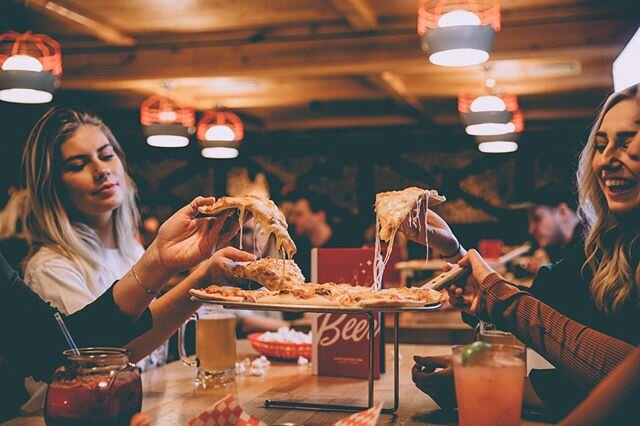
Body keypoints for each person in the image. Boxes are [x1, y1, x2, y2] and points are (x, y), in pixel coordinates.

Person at [404, 84, 640, 416]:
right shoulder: (609, 244)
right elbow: (546, 314)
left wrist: (496, 296)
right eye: (600, 146)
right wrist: (456, 254)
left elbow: (628, 385)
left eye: (626, 143)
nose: (607, 161)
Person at [0, 197, 254, 419]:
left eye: (106, 154)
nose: (100, 170)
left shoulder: (131, 249)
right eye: (77, 164)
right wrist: (164, 265)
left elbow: (59, 348)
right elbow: (85, 360)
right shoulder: (51, 265)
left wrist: (173, 267)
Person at [525, 183, 583, 273]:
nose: (531, 230)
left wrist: (546, 270)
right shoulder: (567, 246)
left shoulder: (587, 248)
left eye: (537, 219)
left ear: (562, 212)